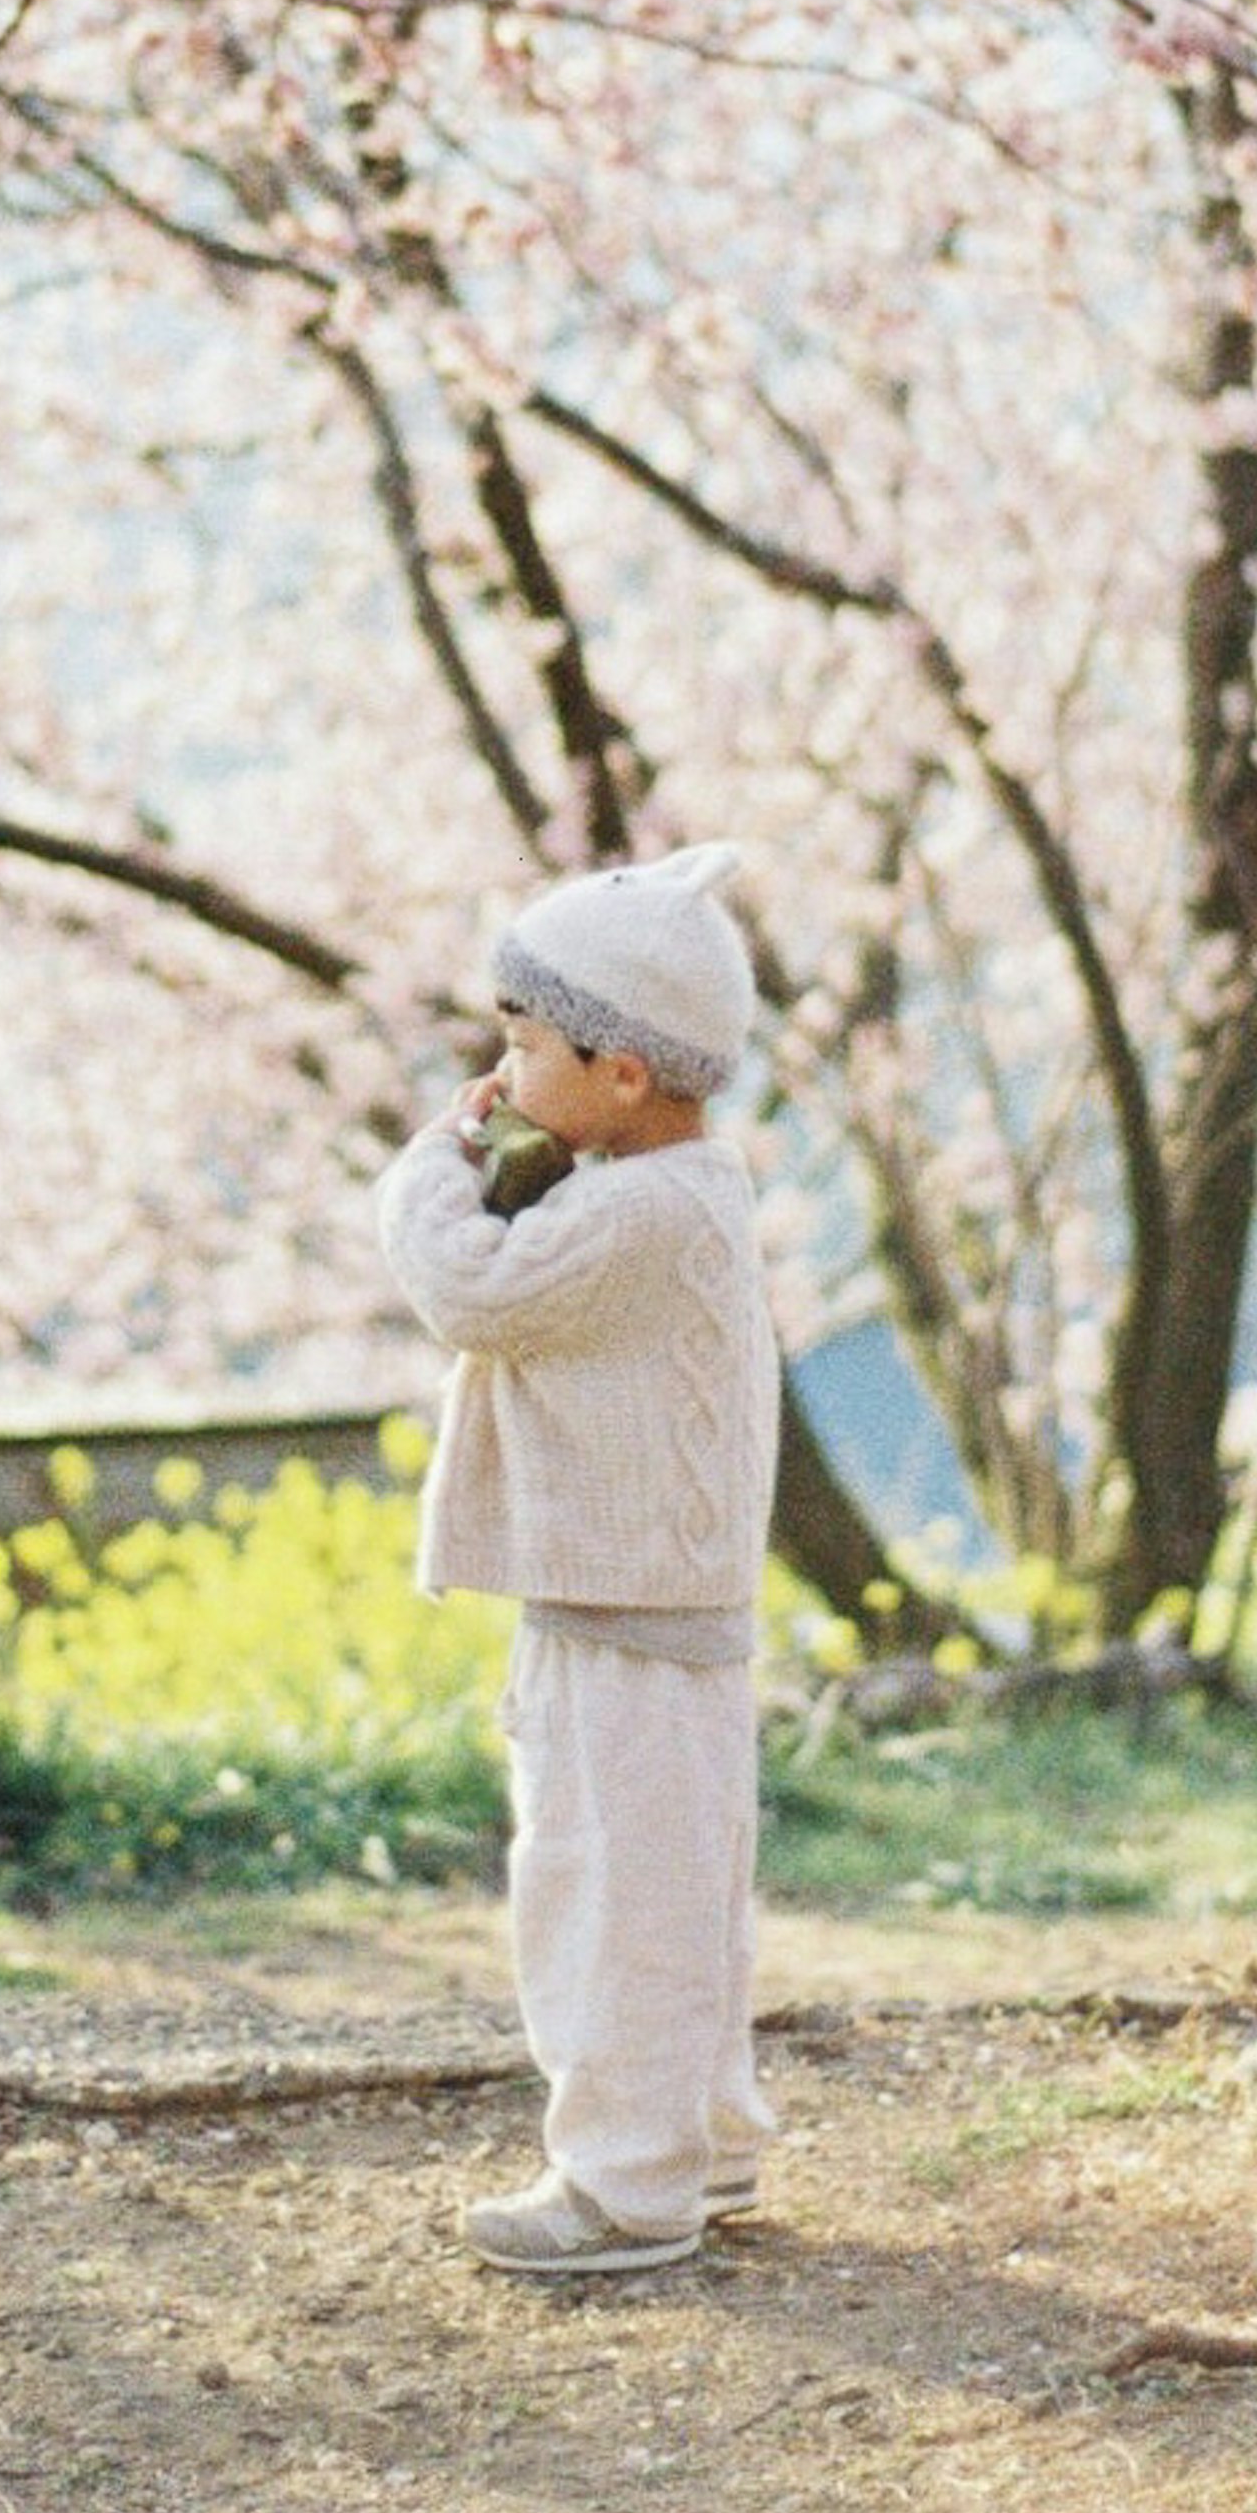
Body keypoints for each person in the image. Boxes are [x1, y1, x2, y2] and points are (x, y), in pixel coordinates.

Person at [373, 844, 783, 2279]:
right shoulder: (673, 1194)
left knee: (605, 1891)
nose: (498, 1070)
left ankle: (624, 2185)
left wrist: (437, 1157)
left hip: (624, 1611)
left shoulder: (634, 1215)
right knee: (677, 1889)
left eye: (524, 1042)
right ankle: (703, 2142)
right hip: (659, 1602)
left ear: (623, 1074)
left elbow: (466, 1286)